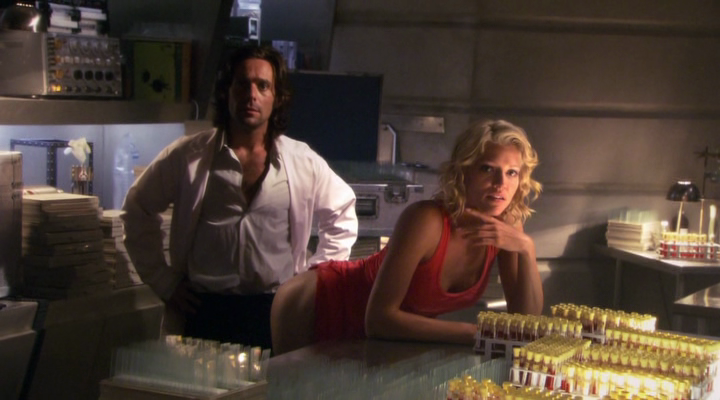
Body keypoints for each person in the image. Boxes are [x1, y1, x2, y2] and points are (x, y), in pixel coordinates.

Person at [121, 44, 358, 350]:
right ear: (227, 91)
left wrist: (314, 282)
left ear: (277, 97)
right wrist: (164, 282)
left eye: (263, 86)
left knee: (274, 381)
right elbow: (137, 209)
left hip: (275, 309)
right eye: (243, 84)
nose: (252, 95)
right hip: (204, 309)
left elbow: (342, 212)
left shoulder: (302, 161)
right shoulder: (188, 156)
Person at [271, 119, 544, 355]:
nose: (501, 184)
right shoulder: (427, 220)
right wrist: (477, 333)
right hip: (316, 303)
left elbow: (526, 323)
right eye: (487, 169)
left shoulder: (508, 228)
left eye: (512, 173)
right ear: (464, 171)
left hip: (379, 338)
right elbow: (378, 320)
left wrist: (526, 248)